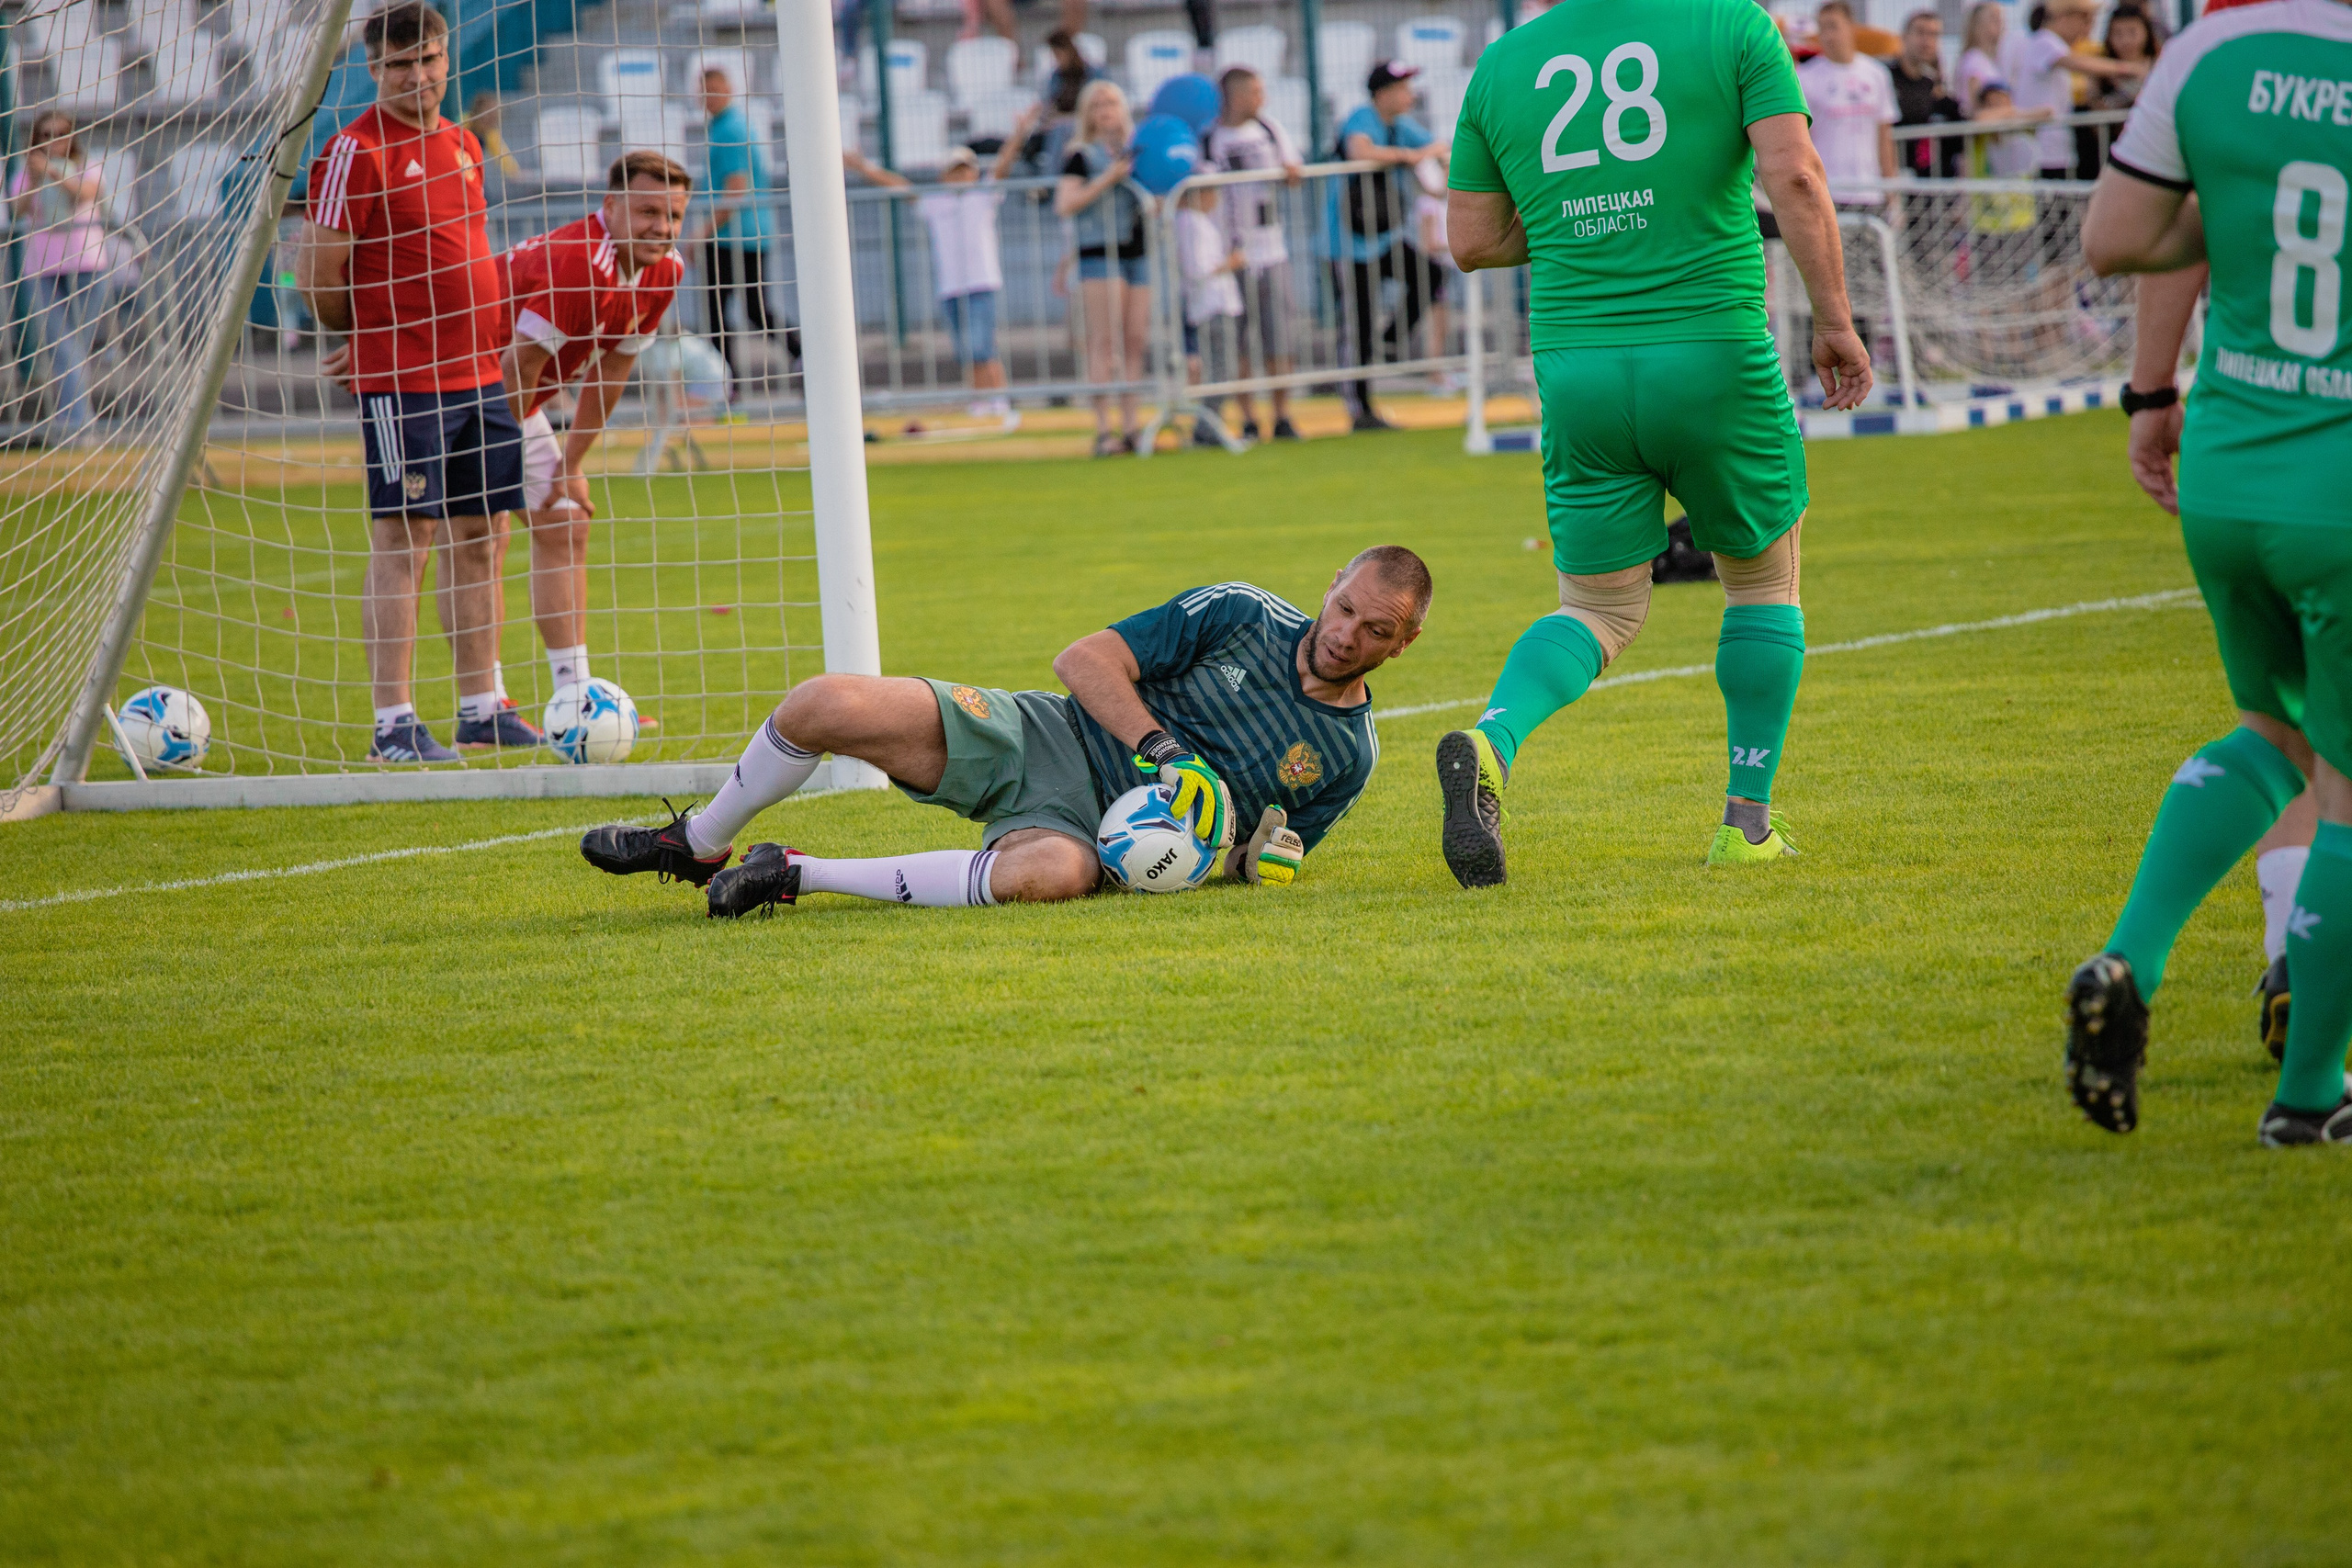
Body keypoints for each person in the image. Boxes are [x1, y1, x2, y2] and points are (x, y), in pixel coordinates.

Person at [1437, 0, 1871, 886]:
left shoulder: (1504, 61)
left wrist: (1583, 231)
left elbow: (1471, 241)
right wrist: (1835, 319)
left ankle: (1492, 739)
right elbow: (1796, 179)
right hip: (1713, 351)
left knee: (1597, 609)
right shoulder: (1734, 26)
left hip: (1580, 368)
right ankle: (1745, 823)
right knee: (1761, 583)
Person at [2068, 0, 2352, 1146]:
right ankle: (2307, 1100)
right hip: (2340, 472)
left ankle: (2128, 955)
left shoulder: (2211, 50)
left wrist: (2233, 228)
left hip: (2230, 465)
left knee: (2268, 735)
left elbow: (2114, 240)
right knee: (2342, 782)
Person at [577, 549, 1434, 916]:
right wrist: (1167, 753)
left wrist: (1254, 859)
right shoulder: (1242, 612)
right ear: (1331, 585)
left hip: (1098, 840)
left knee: (1051, 875)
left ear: (1406, 642)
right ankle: (696, 840)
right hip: (1048, 734)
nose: (1346, 634)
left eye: (1376, 631)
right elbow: (1083, 661)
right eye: (1346, 607)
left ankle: (796, 874)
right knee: (822, 703)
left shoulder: (1350, 755)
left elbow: (1266, 854)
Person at [298, 1, 527, 763]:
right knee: (405, 539)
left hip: (480, 375)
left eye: (429, 60)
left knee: (481, 539)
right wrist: (358, 337)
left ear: (445, 59)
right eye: (401, 65)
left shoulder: (463, 142)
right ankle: (392, 722)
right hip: (405, 382)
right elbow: (318, 272)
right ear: (374, 68)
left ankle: (480, 706)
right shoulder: (352, 152)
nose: (418, 77)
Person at [495, 152, 691, 718]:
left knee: (564, 519)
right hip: (454, 390)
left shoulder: (666, 270)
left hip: (508, 396)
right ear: (610, 207)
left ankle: (575, 696)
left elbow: (612, 369)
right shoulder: (581, 262)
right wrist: (499, 464)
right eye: (648, 211)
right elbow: (517, 366)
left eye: (673, 215)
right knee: (477, 539)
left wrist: (570, 466)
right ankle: (483, 707)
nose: (662, 227)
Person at [850, 123, 1031, 428]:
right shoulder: (935, 202)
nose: (961, 177)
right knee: (965, 349)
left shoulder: (983, 195)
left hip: (980, 282)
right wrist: (864, 168)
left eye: (965, 171)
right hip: (951, 287)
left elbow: (1003, 165)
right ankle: (980, 399)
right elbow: (898, 185)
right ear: (943, 176)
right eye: (954, 172)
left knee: (981, 345)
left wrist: (1019, 134)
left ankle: (998, 399)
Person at [1332, 60, 1445, 432]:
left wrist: (1439, 157)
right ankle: (1359, 409)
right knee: (1358, 324)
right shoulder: (1363, 118)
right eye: (1403, 87)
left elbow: (1435, 146)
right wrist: (1409, 158)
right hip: (1347, 242)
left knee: (1431, 275)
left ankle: (1392, 341)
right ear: (1383, 94)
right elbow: (1359, 151)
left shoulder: (1400, 125)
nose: (1410, 94)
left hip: (1383, 237)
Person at [1204, 65, 1305, 441]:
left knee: (1279, 336)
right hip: (1233, 253)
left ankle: (1282, 414)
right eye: (1255, 92)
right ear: (1236, 95)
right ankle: (1248, 416)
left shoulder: (1269, 129)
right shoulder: (1211, 138)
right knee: (1240, 341)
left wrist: (1292, 172)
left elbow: (1293, 168)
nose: (1261, 99)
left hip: (1271, 249)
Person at [1056, 80, 1150, 457]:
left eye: (1112, 102)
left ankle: (1132, 426)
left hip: (1136, 253)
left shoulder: (1136, 151)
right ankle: (1102, 428)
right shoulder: (1081, 155)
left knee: (1135, 340)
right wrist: (1107, 179)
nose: (1105, 110)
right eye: (1097, 105)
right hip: (1099, 253)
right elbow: (1066, 203)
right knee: (1104, 342)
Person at [7, 111, 106, 444]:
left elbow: (86, 195)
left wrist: (53, 172)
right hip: (44, 267)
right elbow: (18, 210)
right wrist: (36, 179)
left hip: (87, 264)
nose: (54, 141)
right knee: (62, 347)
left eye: (61, 133)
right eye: (46, 135)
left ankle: (73, 423)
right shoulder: (24, 174)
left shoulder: (85, 165)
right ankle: (78, 424)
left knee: (76, 346)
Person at [694, 65, 781, 400]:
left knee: (723, 311)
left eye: (714, 89)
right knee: (745, 309)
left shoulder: (730, 130)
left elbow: (736, 188)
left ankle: (728, 387)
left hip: (735, 236)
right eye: (704, 91)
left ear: (728, 90)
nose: (708, 97)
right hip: (746, 233)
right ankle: (730, 385)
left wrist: (703, 230)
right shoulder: (725, 126)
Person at [2008, 0, 2148, 181]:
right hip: (2045, 154)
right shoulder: (2044, 41)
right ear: (2066, 18)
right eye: (2086, 21)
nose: (2087, 29)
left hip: (2057, 153)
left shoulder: (2051, 45)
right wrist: (2129, 69)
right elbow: (2080, 64)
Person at [1801, 3, 1899, 206]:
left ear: (1851, 27)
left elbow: (1884, 137)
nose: (1827, 36)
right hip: (1829, 191)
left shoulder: (1876, 73)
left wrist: (1891, 192)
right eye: (1822, 28)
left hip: (1870, 191)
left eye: (1833, 27)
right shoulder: (1805, 77)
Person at [1175, 181, 1245, 444]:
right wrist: (1232, 263)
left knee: (1221, 369)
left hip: (1212, 305)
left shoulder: (1193, 222)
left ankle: (1208, 425)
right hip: (1211, 305)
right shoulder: (1190, 223)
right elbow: (1198, 269)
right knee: (1220, 370)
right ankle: (1207, 426)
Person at [1887, 9, 1963, 179]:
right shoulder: (1884, 78)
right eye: (1920, 33)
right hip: (1896, 178)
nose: (1927, 41)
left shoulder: (1934, 86)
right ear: (1905, 36)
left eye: (1934, 35)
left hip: (1931, 185)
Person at [2090, 6, 2161, 112]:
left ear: (2146, 32)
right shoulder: (2101, 74)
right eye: (2118, 33)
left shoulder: (2159, 66)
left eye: (2132, 32)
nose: (2126, 41)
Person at [1956, 1, 2009, 115]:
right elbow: (1974, 108)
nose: (2001, 24)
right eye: (1995, 19)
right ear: (1978, 25)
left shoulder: (1989, 60)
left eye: (2001, 20)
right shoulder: (1974, 60)